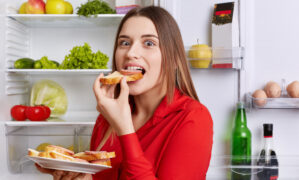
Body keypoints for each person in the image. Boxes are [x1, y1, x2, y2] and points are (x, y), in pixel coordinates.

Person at [36, 6, 213, 180]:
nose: (131, 53)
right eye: (124, 43)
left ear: (174, 59)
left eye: (149, 43)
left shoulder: (193, 118)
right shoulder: (107, 118)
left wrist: (124, 129)